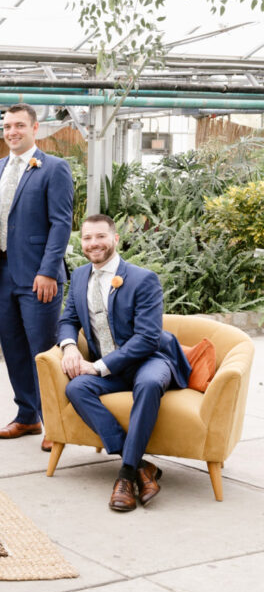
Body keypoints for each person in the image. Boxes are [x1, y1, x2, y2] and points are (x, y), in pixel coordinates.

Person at [58, 214, 191, 512]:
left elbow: (147, 339)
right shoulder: (79, 276)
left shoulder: (143, 279)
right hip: (111, 369)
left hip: (150, 360)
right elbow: (67, 320)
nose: (94, 243)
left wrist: (99, 366)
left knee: (149, 382)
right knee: (77, 388)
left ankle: (125, 475)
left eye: (101, 236)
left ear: (115, 239)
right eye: (88, 237)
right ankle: (142, 466)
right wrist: (69, 347)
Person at [0, 103, 73, 450]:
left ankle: (55, 423)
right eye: (7, 127)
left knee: (43, 351)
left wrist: (47, 271)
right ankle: (27, 415)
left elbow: (61, 224)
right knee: (13, 348)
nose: (11, 132)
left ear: (35, 128)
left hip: (37, 277)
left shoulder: (54, 168)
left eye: (18, 126)